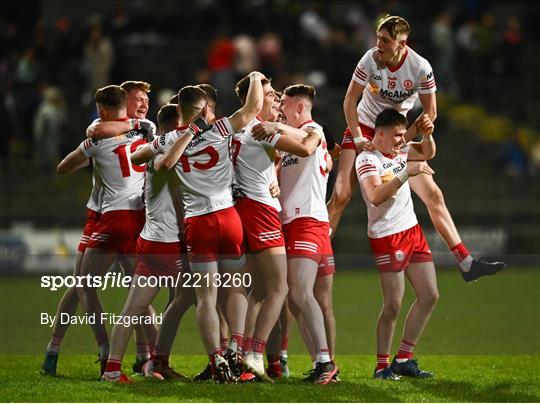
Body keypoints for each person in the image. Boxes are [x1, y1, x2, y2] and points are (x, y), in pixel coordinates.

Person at [327, 15, 506, 282]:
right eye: (378, 38)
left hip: (397, 133)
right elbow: (349, 101)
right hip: (363, 129)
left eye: (385, 41)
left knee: (434, 194)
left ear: (402, 43)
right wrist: (357, 136)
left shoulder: (420, 67)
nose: (379, 45)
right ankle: (316, 258)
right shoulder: (369, 59)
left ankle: (466, 263)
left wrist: (404, 140)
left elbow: (430, 112)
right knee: (341, 194)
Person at [143, 73, 265, 382]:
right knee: (236, 285)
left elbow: (138, 156)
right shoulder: (220, 128)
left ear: (180, 109)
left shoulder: (169, 139)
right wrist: (253, 76)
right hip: (228, 216)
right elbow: (252, 108)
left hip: (198, 223)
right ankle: (236, 348)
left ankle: (216, 359)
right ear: (205, 107)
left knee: (206, 297)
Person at [232, 75, 322, 383]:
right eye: (270, 95)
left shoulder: (238, 129)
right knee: (280, 289)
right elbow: (307, 147)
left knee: (256, 291)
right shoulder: (260, 128)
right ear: (256, 100)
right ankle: (255, 356)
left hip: (245, 209)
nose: (275, 100)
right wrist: (312, 130)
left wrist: (272, 173)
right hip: (261, 214)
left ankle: (239, 352)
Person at [101, 103, 196, 383]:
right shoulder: (171, 155)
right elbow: (180, 202)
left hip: (149, 242)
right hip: (170, 244)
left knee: (133, 308)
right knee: (198, 298)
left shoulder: (153, 150)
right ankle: (164, 361)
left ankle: (112, 370)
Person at [252, 84, 337, 384]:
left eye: (285, 105)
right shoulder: (290, 139)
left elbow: (310, 144)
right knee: (300, 300)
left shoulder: (314, 129)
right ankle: (320, 363)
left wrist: (273, 126)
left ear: (300, 108)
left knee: (300, 293)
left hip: (307, 221)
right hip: (296, 221)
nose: (281, 110)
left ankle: (326, 363)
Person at [356, 109, 438, 380]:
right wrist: (406, 171)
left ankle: (403, 358)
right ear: (380, 134)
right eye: (397, 135)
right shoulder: (368, 159)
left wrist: (426, 133)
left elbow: (428, 153)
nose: (402, 140)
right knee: (393, 304)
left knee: (429, 295)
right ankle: (381, 367)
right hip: (387, 235)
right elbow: (375, 195)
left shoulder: (401, 151)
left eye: (404, 135)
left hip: (412, 231)